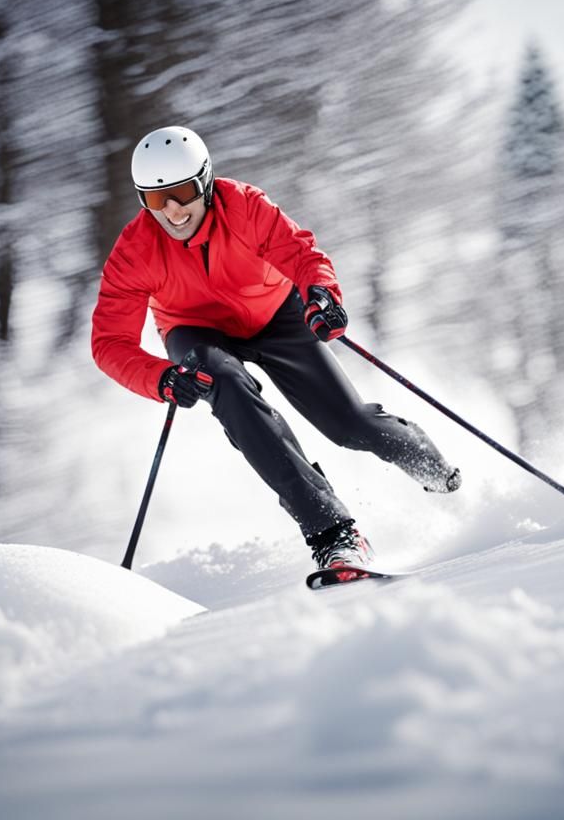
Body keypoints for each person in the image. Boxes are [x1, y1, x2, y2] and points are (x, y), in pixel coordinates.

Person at [91, 125, 461, 570]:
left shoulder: (244, 205)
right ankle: (333, 533)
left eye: (183, 192)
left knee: (346, 424)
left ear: (205, 181)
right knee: (225, 386)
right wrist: (162, 378)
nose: (172, 211)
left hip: (274, 313)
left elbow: (302, 255)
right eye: (155, 199)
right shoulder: (135, 250)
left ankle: (429, 464)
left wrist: (322, 295)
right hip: (195, 330)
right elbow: (109, 343)